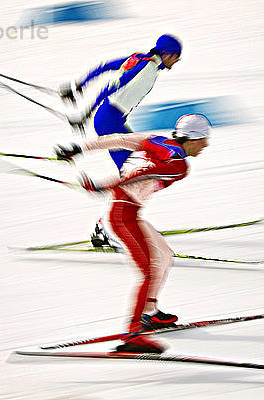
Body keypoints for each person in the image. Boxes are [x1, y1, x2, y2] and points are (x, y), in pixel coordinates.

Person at [55, 114, 211, 354]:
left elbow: (117, 140)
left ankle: (150, 313)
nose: (206, 145)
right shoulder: (179, 167)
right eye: (204, 139)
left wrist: (78, 148)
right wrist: (103, 184)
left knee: (165, 256)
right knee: (147, 272)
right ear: (192, 138)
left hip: (130, 212)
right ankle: (134, 334)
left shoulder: (155, 140)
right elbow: (142, 173)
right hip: (123, 216)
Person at [59, 34, 182, 248]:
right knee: (134, 177)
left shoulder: (140, 58)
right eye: (177, 57)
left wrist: (81, 85)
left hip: (111, 119)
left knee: (133, 175)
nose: (177, 61)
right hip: (110, 121)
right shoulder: (147, 70)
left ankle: (107, 225)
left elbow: (106, 67)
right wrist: (86, 113)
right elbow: (112, 87)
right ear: (168, 54)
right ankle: (107, 228)